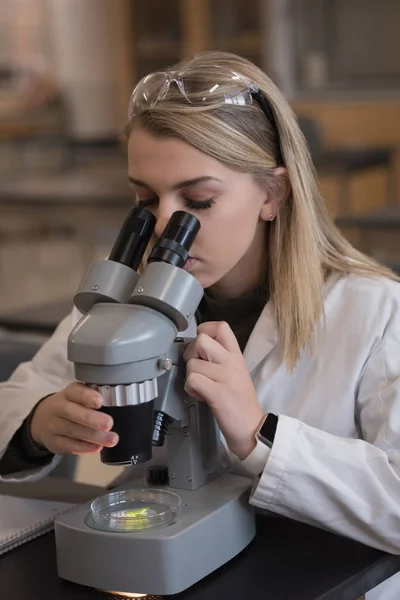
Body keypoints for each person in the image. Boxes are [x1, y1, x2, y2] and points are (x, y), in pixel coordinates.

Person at [0, 51, 399, 599]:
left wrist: (261, 434)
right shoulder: (125, 308)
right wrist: (40, 423)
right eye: (145, 199)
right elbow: (15, 399)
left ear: (272, 195)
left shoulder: (376, 312)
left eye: (198, 201)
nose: (165, 224)